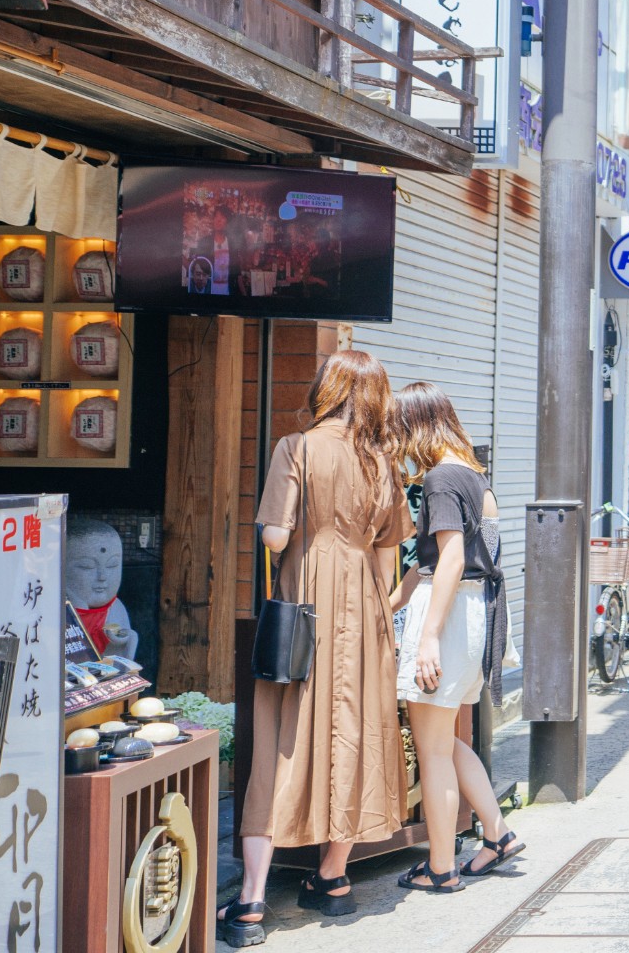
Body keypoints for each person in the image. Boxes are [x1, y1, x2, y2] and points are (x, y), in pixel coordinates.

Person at [219, 351, 415, 947]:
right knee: (357, 736)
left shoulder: (295, 448)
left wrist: (294, 535)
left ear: (326, 388)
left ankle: (251, 903)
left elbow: (276, 536)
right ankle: (332, 879)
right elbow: (390, 560)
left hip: (303, 610)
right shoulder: (384, 461)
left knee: (281, 741)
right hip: (367, 615)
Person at [388, 383, 524, 893]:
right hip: (477, 616)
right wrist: (394, 602)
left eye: (398, 430)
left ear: (415, 427)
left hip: (449, 618)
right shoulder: (473, 475)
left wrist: (426, 638)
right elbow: (444, 559)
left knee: (434, 751)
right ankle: (498, 833)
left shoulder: (441, 479)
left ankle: (440, 867)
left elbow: (448, 559)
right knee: (449, 740)